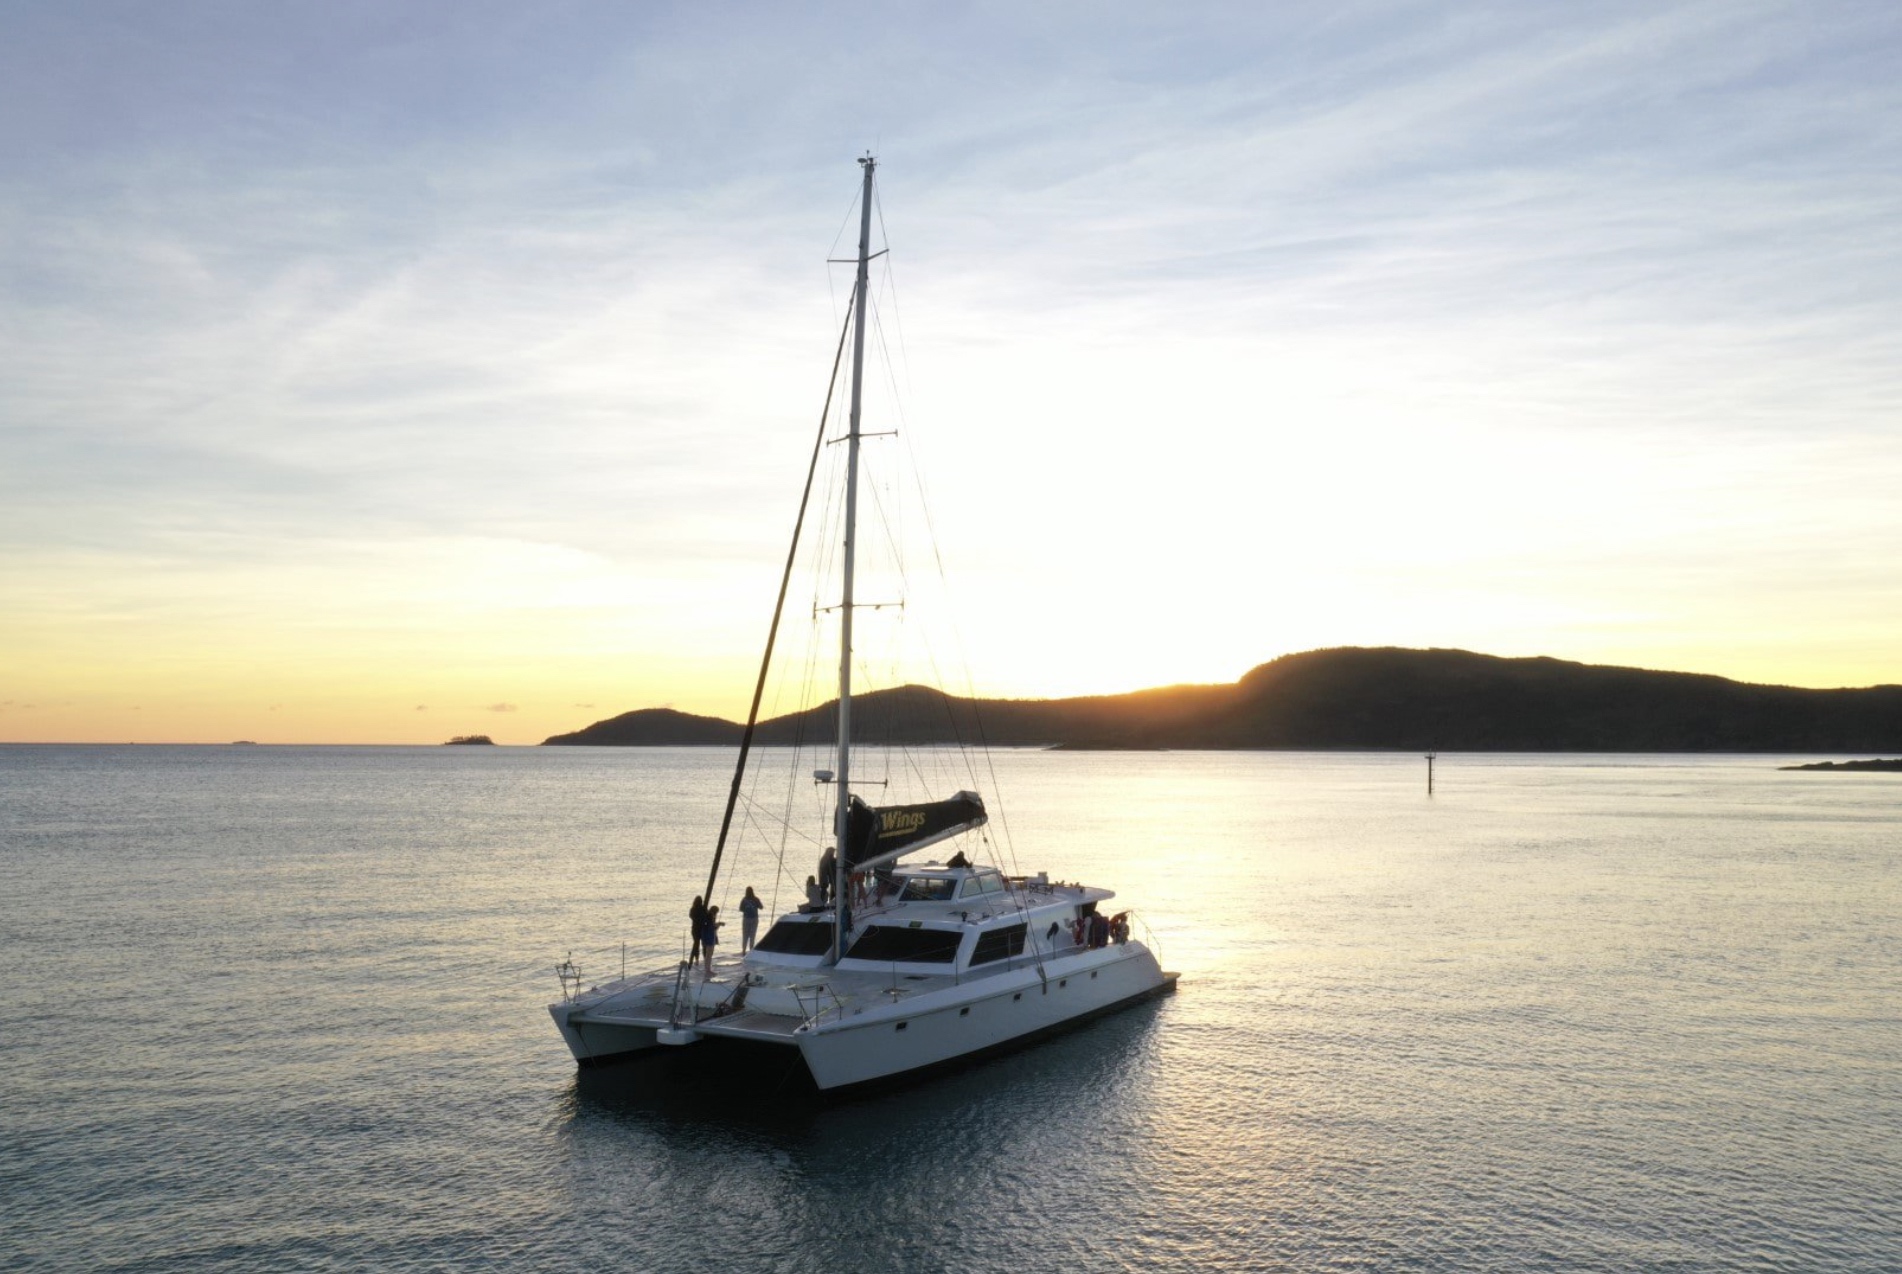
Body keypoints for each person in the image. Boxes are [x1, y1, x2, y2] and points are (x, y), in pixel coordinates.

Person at [738, 886, 763, 953]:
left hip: (746, 918)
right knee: (752, 935)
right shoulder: (756, 899)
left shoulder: (744, 899)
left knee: (745, 935)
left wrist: (747, 909)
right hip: (754, 918)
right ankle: (751, 950)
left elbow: (740, 909)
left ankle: (743, 950)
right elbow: (761, 907)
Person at [700, 905, 721, 977]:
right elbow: (713, 928)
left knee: (707, 955)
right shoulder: (710, 917)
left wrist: (718, 924)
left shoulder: (707, 917)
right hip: (710, 938)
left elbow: (710, 926)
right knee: (709, 955)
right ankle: (708, 970)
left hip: (705, 938)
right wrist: (718, 925)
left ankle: (707, 969)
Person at [688, 895, 708, 962]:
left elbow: (691, 917)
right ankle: (705, 958)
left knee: (696, 945)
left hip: (695, 929)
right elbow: (706, 917)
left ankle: (696, 959)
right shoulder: (703, 908)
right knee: (704, 944)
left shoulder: (693, 909)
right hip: (702, 928)